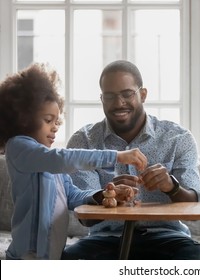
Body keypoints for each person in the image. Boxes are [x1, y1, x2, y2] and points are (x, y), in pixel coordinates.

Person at [61, 60, 200, 260]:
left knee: (194, 257)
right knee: (69, 261)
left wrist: (172, 187)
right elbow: (86, 219)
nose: (119, 103)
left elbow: (196, 210)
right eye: (110, 96)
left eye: (127, 94)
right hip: (106, 238)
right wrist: (107, 196)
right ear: (102, 99)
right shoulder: (83, 141)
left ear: (143, 94)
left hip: (168, 237)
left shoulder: (178, 138)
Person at [0, 63, 147, 260]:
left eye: (57, 121)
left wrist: (104, 195)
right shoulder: (19, 147)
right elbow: (62, 158)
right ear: (24, 118)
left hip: (51, 254)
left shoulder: (49, 160)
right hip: (27, 255)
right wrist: (116, 156)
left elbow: (73, 195)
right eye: (48, 120)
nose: (55, 128)